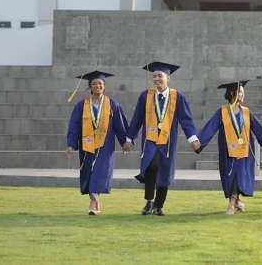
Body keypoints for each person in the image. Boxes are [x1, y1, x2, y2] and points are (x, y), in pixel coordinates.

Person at [124, 61, 201, 216]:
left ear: (168, 78)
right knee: (151, 166)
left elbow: (185, 119)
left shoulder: (177, 97)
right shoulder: (146, 96)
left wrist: (192, 137)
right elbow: (137, 118)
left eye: (160, 76)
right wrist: (129, 138)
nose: (157, 79)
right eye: (154, 76)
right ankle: (149, 201)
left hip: (167, 141)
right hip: (150, 140)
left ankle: (159, 205)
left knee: (164, 170)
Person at [196, 80, 262, 215]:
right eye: (241, 93)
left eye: (243, 93)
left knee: (238, 176)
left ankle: (233, 203)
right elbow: (210, 127)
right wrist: (200, 141)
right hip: (228, 151)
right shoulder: (222, 112)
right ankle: (236, 202)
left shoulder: (246, 112)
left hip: (244, 152)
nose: (243, 96)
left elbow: (258, 129)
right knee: (231, 176)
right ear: (233, 93)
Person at [66, 70, 129, 215]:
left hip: (105, 146)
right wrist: (71, 144)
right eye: (94, 84)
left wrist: (125, 142)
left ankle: (93, 202)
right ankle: (95, 199)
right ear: (90, 87)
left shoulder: (112, 104)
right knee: (88, 171)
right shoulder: (82, 105)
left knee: (100, 172)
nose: (97, 86)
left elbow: (120, 125)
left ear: (104, 86)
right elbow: (74, 125)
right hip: (86, 144)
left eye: (100, 83)